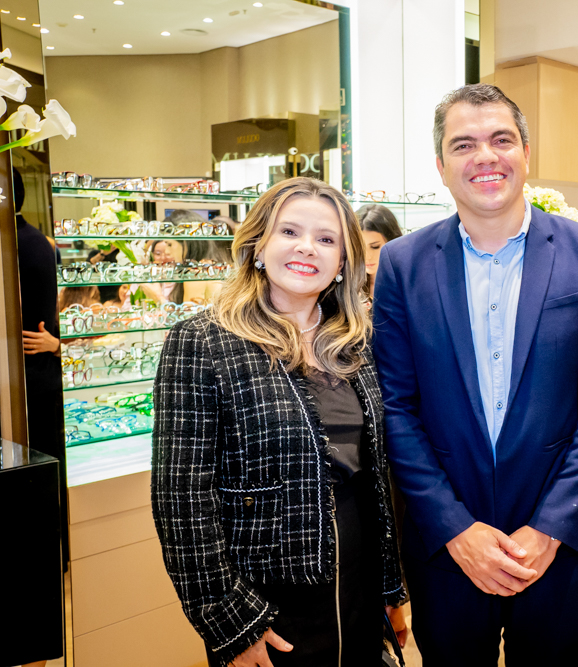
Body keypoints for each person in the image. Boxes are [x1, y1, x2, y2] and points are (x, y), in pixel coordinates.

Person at [372, 83, 578, 665]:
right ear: (441, 166)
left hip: (554, 545)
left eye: (501, 139)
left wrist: (550, 527)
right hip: (446, 548)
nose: (485, 156)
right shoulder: (402, 264)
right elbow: (395, 407)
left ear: (526, 153)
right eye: (464, 145)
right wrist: (455, 528)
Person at [151, 177, 406, 667]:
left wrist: (391, 587)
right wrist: (230, 622)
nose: (307, 247)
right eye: (289, 231)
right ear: (258, 245)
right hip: (269, 604)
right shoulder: (202, 342)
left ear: (342, 262)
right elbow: (181, 499)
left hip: (361, 585)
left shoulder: (358, 342)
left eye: (326, 239)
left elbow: (378, 480)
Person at [356, 204, 403, 298]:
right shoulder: (347, 285)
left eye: (375, 247)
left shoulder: (406, 283)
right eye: (360, 248)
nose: (367, 256)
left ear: (392, 241)